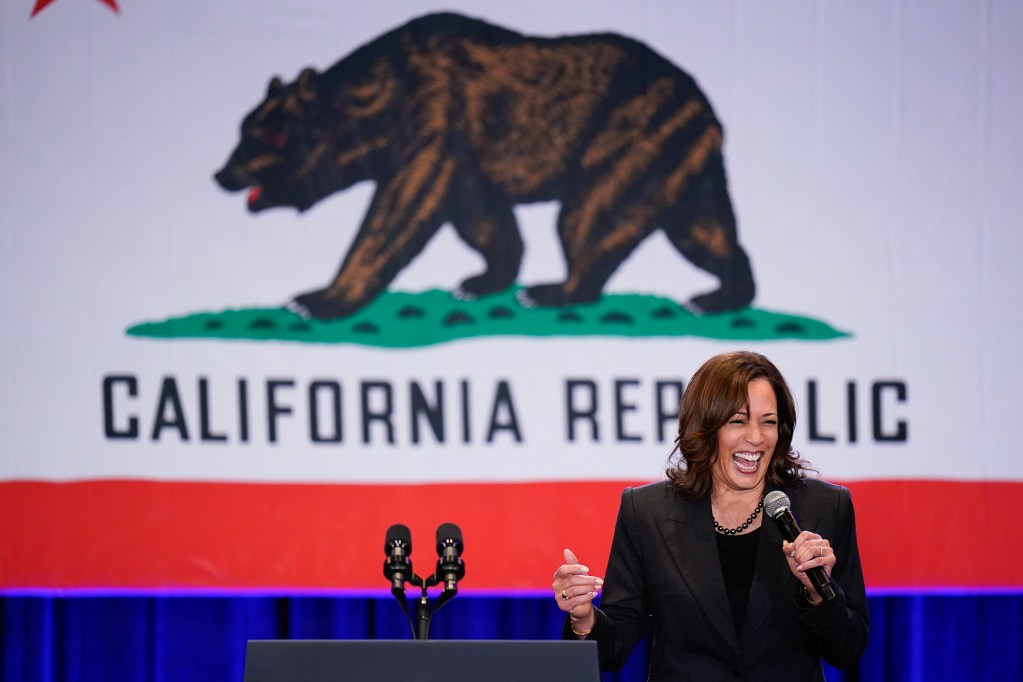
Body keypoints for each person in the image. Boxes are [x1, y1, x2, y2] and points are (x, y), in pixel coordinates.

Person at [552, 351, 868, 681]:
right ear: (706, 427)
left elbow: (848, 650)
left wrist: (818, 594)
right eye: (738, 421)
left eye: (768, 421)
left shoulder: (825, 506)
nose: (756, 437)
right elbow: (614, 650)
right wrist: (584, 618)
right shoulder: (647, 511)